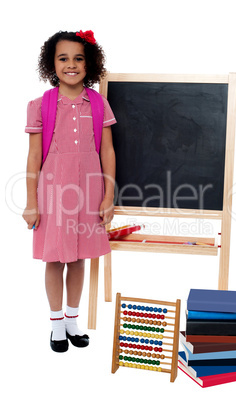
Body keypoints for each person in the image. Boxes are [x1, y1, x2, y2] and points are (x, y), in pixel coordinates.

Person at [22, 30, 116, 353]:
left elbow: (107, 151)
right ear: (52, 63)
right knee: (55, 259)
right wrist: (31, 201)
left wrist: (108, 195)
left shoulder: (99, 104)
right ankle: (56, 323)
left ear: (89, 64)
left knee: (78, 259)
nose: (71, 65)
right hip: (53, 194)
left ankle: (73, 320)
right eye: (63, 58)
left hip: (89, 191)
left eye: (78, 58)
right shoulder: (41, 105)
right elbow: (34, 156)